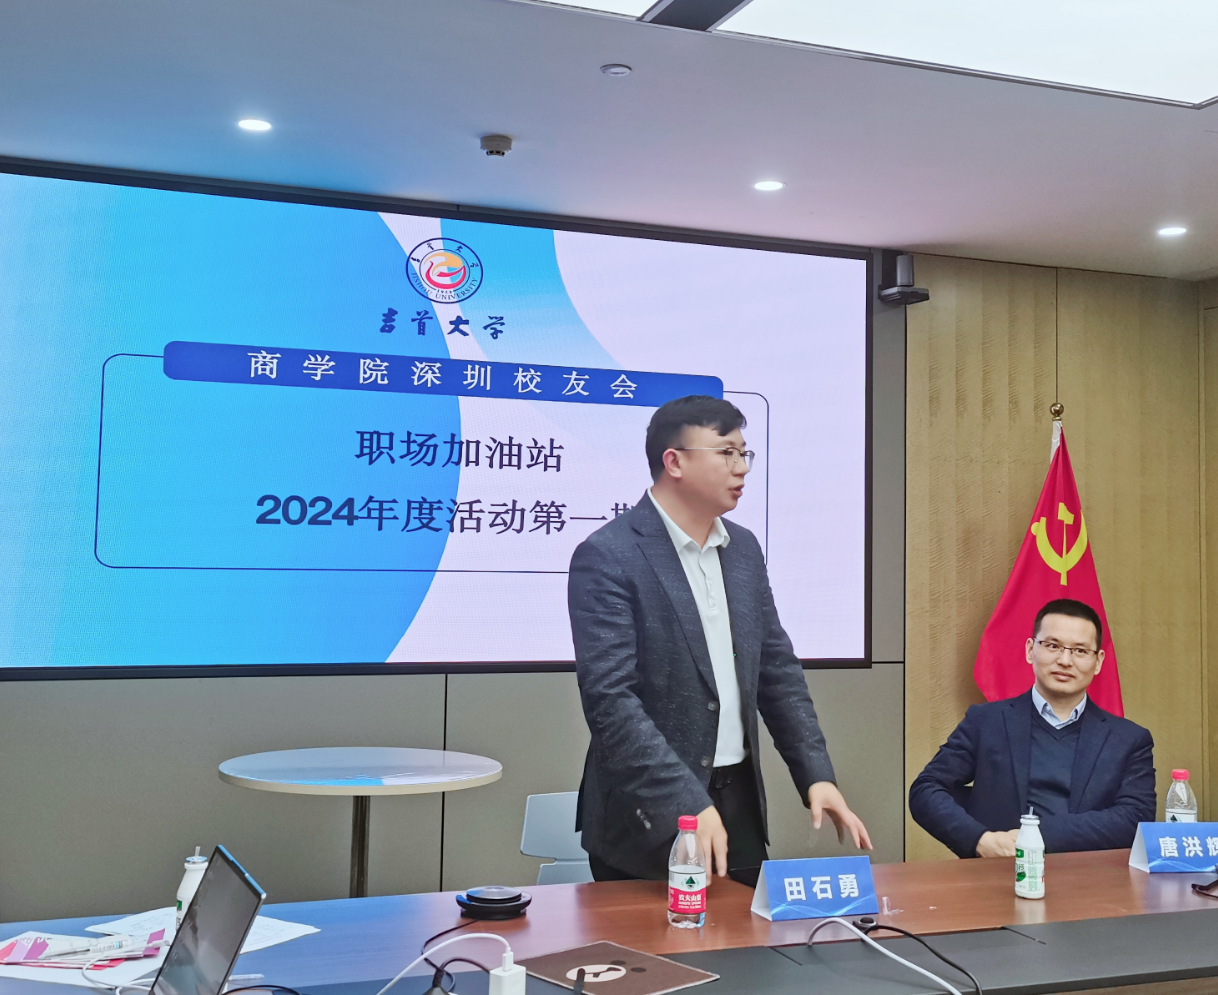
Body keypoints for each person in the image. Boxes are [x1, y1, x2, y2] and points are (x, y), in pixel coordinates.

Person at [568, 394, 871, 883]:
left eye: (743, 453)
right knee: (658, 936)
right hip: (647, 816)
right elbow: (610, 701)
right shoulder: (609, 554)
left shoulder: (743, 548)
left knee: (748, 933)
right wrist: (686, 803)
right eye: (726, 453)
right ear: (674, 462)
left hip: (738, 803)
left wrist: (816, 774)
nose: (742, 467)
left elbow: (776, 671)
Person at [909, 598, 1156, 858]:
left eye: (1080, 651)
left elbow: (1135, 818)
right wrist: (980, 841)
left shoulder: (1128, 740)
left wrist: (1036, 835)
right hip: (998, 872)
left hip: (1087, 876)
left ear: (1098, 661)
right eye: (1053, 646)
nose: (1065, 660)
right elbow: (926, 789)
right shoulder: (985, 722)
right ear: (1030, 650)